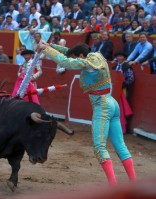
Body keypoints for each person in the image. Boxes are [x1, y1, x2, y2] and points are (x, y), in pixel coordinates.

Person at [38, 42, 136, 185]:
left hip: (102, 106)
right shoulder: (96, 55)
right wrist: (50, 45)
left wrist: (46, 50)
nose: (77, 61)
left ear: (82, 56)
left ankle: (113, 187)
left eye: (78, 58)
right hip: (112, 103)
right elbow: (69, 52)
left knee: (99, 147)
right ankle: (134, 184)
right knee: (120, 146)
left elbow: (66, 61)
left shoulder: (89, 63)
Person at [112, 51, 134, 133]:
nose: (119, 58)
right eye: (118, 56)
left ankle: (123, 128)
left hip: (123, 90)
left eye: (120, 56)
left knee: (122, 108)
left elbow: (131, 79)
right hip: (114, 91)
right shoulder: (114, 68)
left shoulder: (127, 67)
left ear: (124, 58)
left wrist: (122, 85)